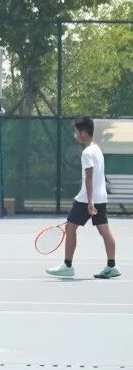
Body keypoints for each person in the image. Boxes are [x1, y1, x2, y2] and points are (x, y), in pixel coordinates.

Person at [47, 117, 120, 280]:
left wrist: (90, 202)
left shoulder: (87, 153)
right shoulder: (97, 149)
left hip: (87, 199)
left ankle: (67, 266)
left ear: (83, 133)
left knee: (70, 227)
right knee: (104, 230)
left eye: (76, 132)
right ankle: (112, 266)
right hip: (101, 197)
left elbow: (89, 177)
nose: (75, 135)